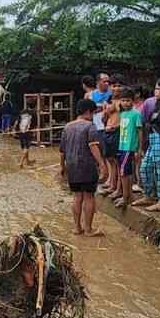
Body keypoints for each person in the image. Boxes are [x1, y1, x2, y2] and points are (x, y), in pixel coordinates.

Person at [60, 99, 108, 236]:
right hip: (87, 166)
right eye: (93, 113)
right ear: (88, 112)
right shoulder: (90, 126)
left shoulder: (67, 127)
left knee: (77, 196)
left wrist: (62, 167)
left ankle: (77, 228)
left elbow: (62, 151)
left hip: (72, 167)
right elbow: (93, 146)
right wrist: (102, 164)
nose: (93, 116)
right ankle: (88, 229)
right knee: (89, 196)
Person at [134, 78, 160, 212]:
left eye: (158, 88)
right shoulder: (157, 104)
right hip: (153, 139)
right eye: (156, 88)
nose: (155, 91)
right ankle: (149, 195)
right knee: (144, 168)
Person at [115, 87, 143, 209]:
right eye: (123, 100)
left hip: (129, 147)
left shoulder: (136, 114)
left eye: (128, 100)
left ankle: (125, 197)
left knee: (123, 172)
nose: (125, 103)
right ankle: (129, 195)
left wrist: (139, 149)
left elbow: (140, 131)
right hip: (122, 146)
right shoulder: (122, 114)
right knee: (126, 172)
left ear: (133, 100)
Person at [101, 75, 124, 199]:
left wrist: (115, 127)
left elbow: (125, 119)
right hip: (108, 132)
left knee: (118, 161)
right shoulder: (108, 101)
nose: (117, 88)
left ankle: (119, 189)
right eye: (114, 85)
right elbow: (104, 119)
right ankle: (112, 184)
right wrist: (106, 112)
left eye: (119, 86)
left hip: (118, 132)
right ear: (110, 87)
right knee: (110, 159)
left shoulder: (124, 102)